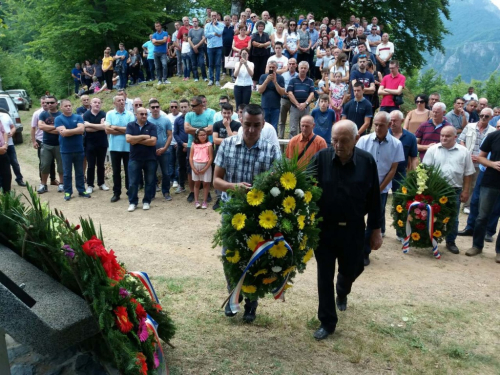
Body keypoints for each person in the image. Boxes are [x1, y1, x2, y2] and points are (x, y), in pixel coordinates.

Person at [312, 120, 382, 340]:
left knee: (354, 268)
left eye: (344, 140)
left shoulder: (367, 161)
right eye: (335, 140)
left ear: (356, 140)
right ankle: (327, 322)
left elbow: (374, 198)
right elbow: (303, 189)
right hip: (324, 229)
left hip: (353, 229)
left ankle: (342, 291)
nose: (338, 145)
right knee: (324, 275)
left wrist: (375, 229)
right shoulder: (321, 159)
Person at [214, 104, 281, 323]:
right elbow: (216, 180)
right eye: (247, 125)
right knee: (228, 255)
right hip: (231, 211)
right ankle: (234, 295)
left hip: (259, 215)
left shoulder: (271, 149)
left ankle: (252, 301)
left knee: (255, 257)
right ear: (240, 122)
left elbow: (277, 183)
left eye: (256, 125)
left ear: (263, 125)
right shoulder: (227, 145)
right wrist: (235, 187)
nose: (251, 130)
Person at [356, 111, 404, 264]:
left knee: (374, 220)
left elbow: (393, 169)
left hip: (382, 189)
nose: (377, 128)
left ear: (389, 125)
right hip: (361, 189)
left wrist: (379, 188)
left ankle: (365, 252)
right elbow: (356, 164)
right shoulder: (363, 141)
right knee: (357, 219)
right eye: (375, 124)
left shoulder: (397, 144)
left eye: (381, 125)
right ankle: (355, 249)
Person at [423, 126, 475, 254]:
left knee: (453, 217)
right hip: (436, 190)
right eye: (442, 135)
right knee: (434, 216)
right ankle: (432, 238)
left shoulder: (464, 152)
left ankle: (450, 241)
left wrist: (466, 191)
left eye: (447, 136)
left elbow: (468, 174)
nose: (444, 138)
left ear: (455, 137)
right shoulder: (433, 150)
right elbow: (425, 171)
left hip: (454, 190)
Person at [466, 122, 500, 262]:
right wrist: (493, 164)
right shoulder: (493, 136)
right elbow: (480, 157)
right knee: (482, 216)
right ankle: (477, 246)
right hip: (490, 181)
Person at [458, 107, 497, 214]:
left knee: (475, 184)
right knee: (462, 182)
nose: (483, 118)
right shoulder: (469, 126)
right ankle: (459, 202)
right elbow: (461, 140)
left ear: (491, 118)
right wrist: (467, 153)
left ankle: (468, 205)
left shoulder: (493, 131)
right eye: (481, 115)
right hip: (467, 159)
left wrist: (480, 158)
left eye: (486, 116)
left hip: (480, 163)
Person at [389, 110, 418, 240]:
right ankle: (380, 230)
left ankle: (400, 232)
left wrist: (413, 175)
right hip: (383, 173)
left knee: (400, 204)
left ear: (401, 121)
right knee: (379, 203)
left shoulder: (410, 137)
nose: (392, 123)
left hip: (400, 175)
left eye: (395, 120)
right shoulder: (384, 134)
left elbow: (413, 157)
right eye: (390, 120)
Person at [54, 99, 90, 201]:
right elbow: (63, 133)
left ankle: (81, 190)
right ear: (61, 107)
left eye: (70, 105)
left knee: (80, 172)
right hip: (66, 150)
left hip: (79, 149)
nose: (68, 107)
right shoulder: (58, 119)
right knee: (67, 172)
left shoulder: (78, 117)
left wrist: (68, 131)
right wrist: (75, 130)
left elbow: (82, 130)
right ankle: (68, 191)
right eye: (66, 106)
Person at [125, 107, 158, 211]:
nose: (144, 116)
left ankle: (146, 201)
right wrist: (144, 136)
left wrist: (136, 140)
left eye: (145, 114)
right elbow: (128, 139)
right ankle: (133, 202)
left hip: (150, 158)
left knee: (149, 181)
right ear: (136, 115)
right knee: (133, 182)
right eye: (142, 114)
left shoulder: (152, 126)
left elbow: (153, 142)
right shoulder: (130, 125)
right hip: (135, 158)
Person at [105, 96, 135, 202]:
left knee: (129, 171)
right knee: (116, 171)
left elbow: (131, 130)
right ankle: (116, 193)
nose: (122, 102)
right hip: (114, 148)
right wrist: (124, 130)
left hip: (127, 147)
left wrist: (115, 127)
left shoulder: (130, 114)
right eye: (119, 100)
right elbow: (107, 130)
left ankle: (129, 191)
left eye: (123, 100)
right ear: (114, 103)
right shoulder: (109, 114)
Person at [37, 96, 64, 194]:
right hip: (46, 144)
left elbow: (62, 130)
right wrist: (55, 128)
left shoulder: (61, 115)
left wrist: (47, 128)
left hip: (60, 144)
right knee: (44, 165)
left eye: (51, 102)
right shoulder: (43, 114)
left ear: (56, 103)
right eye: (47, 103)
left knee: (61, 165)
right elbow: (40, 126)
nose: (49, 104)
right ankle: (43, 184)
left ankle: (61, 183)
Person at [148, 100, 173, 202]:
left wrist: (165, 148)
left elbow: (170, 135)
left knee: (166, 173)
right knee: (151, 172)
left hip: (164, 151)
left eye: (157, 107)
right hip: (150, 151)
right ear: (149, 109)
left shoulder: (166, 120)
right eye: (153, 107)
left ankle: (166, 191)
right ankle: (152, 192)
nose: (155, 109)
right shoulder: (147, 120)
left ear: (160, 107)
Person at [83, 98, 109, 194]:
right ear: (91, 104)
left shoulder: (104, 114)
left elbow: (105, 127)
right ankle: (90, 185)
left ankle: (101, 183)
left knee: (101, 165)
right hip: (90, 143)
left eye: (99, 102)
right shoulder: (86, 115)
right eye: (95, 102)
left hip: (102, 143)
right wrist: (100, 126)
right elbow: (87, 129)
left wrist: (90, 125)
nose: (97, 104)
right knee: (91, 165)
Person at [31, 97, 57, 185]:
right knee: (43, 162)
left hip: (54, 140)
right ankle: (42, 181)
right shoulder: (37, 113)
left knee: (52, 161)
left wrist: (47, 129)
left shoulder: (56, 114)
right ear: (41, 103)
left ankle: (53, 179)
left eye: (48, 103)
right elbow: (33, 128)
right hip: (40, 140)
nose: (46, 104)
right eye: (44, 103)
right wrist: (34, 141)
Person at [287, 61, 315, 138]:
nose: (303, 69)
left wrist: (305, 103)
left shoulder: (310, 81)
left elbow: (312, 94)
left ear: (307, 69)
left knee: (305, 128)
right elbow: (290, 93)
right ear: (298, 69)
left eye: (305, 68)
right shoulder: (292, 80)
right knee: (293, 128)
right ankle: (293, 147)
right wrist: (297, 104)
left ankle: (304, 146)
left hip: (305, 108)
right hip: (294, 107)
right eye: (301, 68)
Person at [189, 128, 214, 209]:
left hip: (205, 166)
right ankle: (196, 201)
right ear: (197, 136)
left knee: (206, 184)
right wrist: (193, 168)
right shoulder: (194, 144)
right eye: (201, 135)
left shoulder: (209, 144)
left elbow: (210, 158)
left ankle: (204, 201)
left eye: (204, 135)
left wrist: (205, 168)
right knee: (197, 183)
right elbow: (191, 157)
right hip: (196, 165)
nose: (203, 136)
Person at [258, 60, 285, 130]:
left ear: (276, 68)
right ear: (267, 67)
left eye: (273, 67)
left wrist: (275, 82)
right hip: (265, 106)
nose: (271, 69)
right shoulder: (263, 77)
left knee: (274, 127)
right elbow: (260, 90)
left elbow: (282, 92)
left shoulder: (280, 78)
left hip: (275, 107)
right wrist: (266, 81)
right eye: (270, 67)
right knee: (264, 126)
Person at [0, 111, 25, 187]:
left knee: (14, 163)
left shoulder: (5, 115)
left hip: (9, 144)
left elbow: (13, 127)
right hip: (2, 146)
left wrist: (12, 132)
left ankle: (19, 179)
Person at [173, 99, 190, 196]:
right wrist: (182, 144)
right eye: (182, 107)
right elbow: (175, 134)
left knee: (191, 166)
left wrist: (188, 144)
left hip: (191, 145)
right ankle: (181, 185)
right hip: (180, 146)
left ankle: (196, 185)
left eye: (185, 107)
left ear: (189, 107)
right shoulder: (178, 120)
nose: (184, 109)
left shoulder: (192, 118)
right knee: (180, 166)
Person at [278, 59, 298, 138]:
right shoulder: (283, 75)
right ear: (287, 65)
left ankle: (292, 141)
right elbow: (281, 86)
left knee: (293, 122)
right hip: (284, 99)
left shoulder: (298, 76)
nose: (291, 65)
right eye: (290, 64)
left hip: (294, 101)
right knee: (281, 121)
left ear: (296, 65)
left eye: (293, 64)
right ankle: (280, 140)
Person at [205, 11, 224, 86]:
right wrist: (214, 33)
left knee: (218, 64)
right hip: (210, 47)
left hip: (218, 47)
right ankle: (211, 79)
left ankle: (217, 80)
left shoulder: (221, 24)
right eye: (212, 16)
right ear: (210, 16)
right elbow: (206, 35)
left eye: (215, 15)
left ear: (217, 16)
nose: (213, 17)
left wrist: (214, 25)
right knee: (210, 64)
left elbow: (220, 32)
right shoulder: (207, 25)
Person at [250, 20, 271, 89]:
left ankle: (261, 82)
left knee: (262, 68)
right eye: (259, 26)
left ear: (264, 27)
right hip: (255, 54)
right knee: (256, 68)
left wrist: (259, 45)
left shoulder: (266, 34)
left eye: (262, 26)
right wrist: (263, 45)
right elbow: (253, 43)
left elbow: (268, 43)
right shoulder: (254, 34)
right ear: (257, 27)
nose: (260, 27)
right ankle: (254, 83)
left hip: (264, 54)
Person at [188, 18, 208, 82]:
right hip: (192, 49)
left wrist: (197, 46)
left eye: (195, 21)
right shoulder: (190, 30)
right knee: (194, 64)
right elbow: (189, 39)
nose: (194, 22)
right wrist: (194, 47)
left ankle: (204, 77)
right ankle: (196, 77)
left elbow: (203, 38)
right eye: (193, 21)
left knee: (202, 63)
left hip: (200, 48)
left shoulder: (202, 30)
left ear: (198, 22)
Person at [0, 122, 10, 192]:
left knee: (7, 176)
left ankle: (6, 199)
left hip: (3, 152)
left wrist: (5, 145)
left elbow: (4, 132)